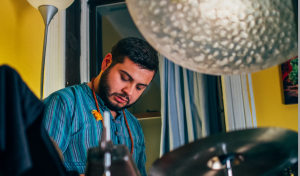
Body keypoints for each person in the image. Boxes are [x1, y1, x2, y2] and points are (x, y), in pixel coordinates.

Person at [43, 37, 159, 176]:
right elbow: (38, 169)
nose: (129, 91)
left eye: (140, 87)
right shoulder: (65, 103)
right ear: (106, 62)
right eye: (125, 78)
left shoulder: (134, 125)